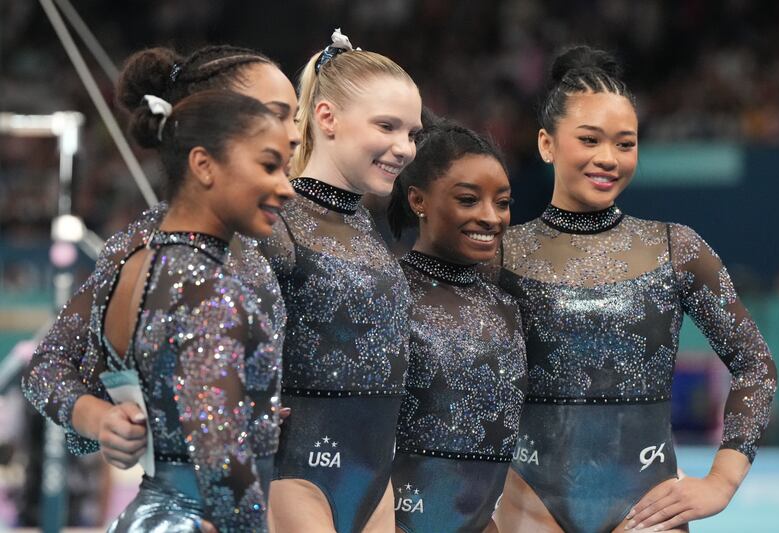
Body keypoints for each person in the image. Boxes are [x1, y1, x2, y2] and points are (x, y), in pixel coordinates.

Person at [492, 46, 777, 533]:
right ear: (546, 144)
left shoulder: (675, 248)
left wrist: (721, 482)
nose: (608, 158)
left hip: (647, 505)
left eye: (625, 144)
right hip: (528, 500)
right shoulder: (500, 255)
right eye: (589, 139)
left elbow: (756, 365)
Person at [22, 44, 300, 471]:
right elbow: (47, 366)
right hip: (199, 490)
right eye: (277, 115)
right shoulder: (150, 248)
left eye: (296, 117)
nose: (294, 134)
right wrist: (102, 420)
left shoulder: (274, 221)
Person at [245, 29, 422, 532]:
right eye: (386, 126)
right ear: (326, 118)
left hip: (375, 482)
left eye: (413, 133)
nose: (404, 148)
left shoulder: (367, 227)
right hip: (293, 473)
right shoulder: (275, 221)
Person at [97, 88, 293, 530]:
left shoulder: (138, 266)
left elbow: (54, 373)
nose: (286, 188)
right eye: (269, 166)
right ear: (204, 165)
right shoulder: (209, 289)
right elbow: (221, 457)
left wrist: (98, 418)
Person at [386, 114, 527, 533]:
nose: (491, 217)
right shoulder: (388, 293)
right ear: (418, 201)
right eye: (468, 200)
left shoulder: (507, 306)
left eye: (502, 203)